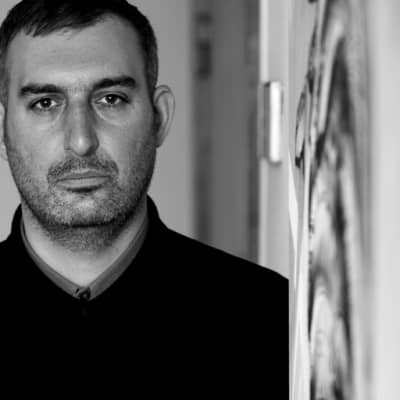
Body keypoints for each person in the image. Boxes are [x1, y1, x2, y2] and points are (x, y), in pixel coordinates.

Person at [0, 0, 287, 394]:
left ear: (159, 119)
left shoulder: (273, 316)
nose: (81, 141)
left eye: (110, 99)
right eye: (45, 103)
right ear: (3, 131)